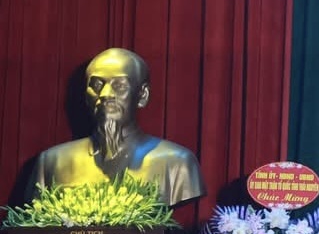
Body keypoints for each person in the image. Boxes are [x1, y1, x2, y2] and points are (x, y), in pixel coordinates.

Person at [30, 47, 204, 207]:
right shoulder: (52, 162)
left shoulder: (177, 163)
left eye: (119, 86)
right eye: (96, 85)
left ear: (142, 95)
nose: (105, 94)